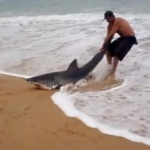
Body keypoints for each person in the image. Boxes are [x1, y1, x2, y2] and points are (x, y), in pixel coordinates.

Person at [100, 10, 138, 74]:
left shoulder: (118, 21)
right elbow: (108, 37)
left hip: (130, 38)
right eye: (106, 19)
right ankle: (109, 68)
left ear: (113, 17)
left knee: (116, 53)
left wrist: (104, 47)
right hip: (123, 38)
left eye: (108, 18)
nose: (107, 20)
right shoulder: (109, 26)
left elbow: (111, 35)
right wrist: (104, 47)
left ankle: (113, 73)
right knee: (109, 50)